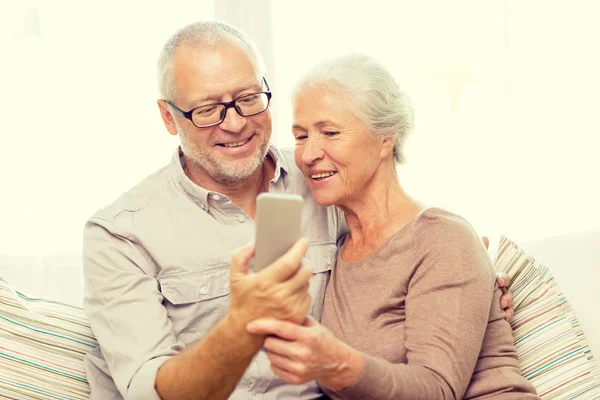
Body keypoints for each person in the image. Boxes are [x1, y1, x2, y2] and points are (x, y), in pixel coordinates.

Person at [82, 21, 515, 400]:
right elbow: (148, 390)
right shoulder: (122, 232)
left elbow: (405, 242)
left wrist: (468, 290)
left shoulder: (323, 179)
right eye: (208, 109)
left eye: (249, 98)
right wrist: (242, 325)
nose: (234, 124)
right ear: (168, 117)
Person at [245, 54, 539, 399]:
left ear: (385, 138)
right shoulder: (335, 250)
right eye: (300, 136)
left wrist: (338, 363)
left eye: (330, 132)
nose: (308, 154)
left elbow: (437, 391)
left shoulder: (443, 238)